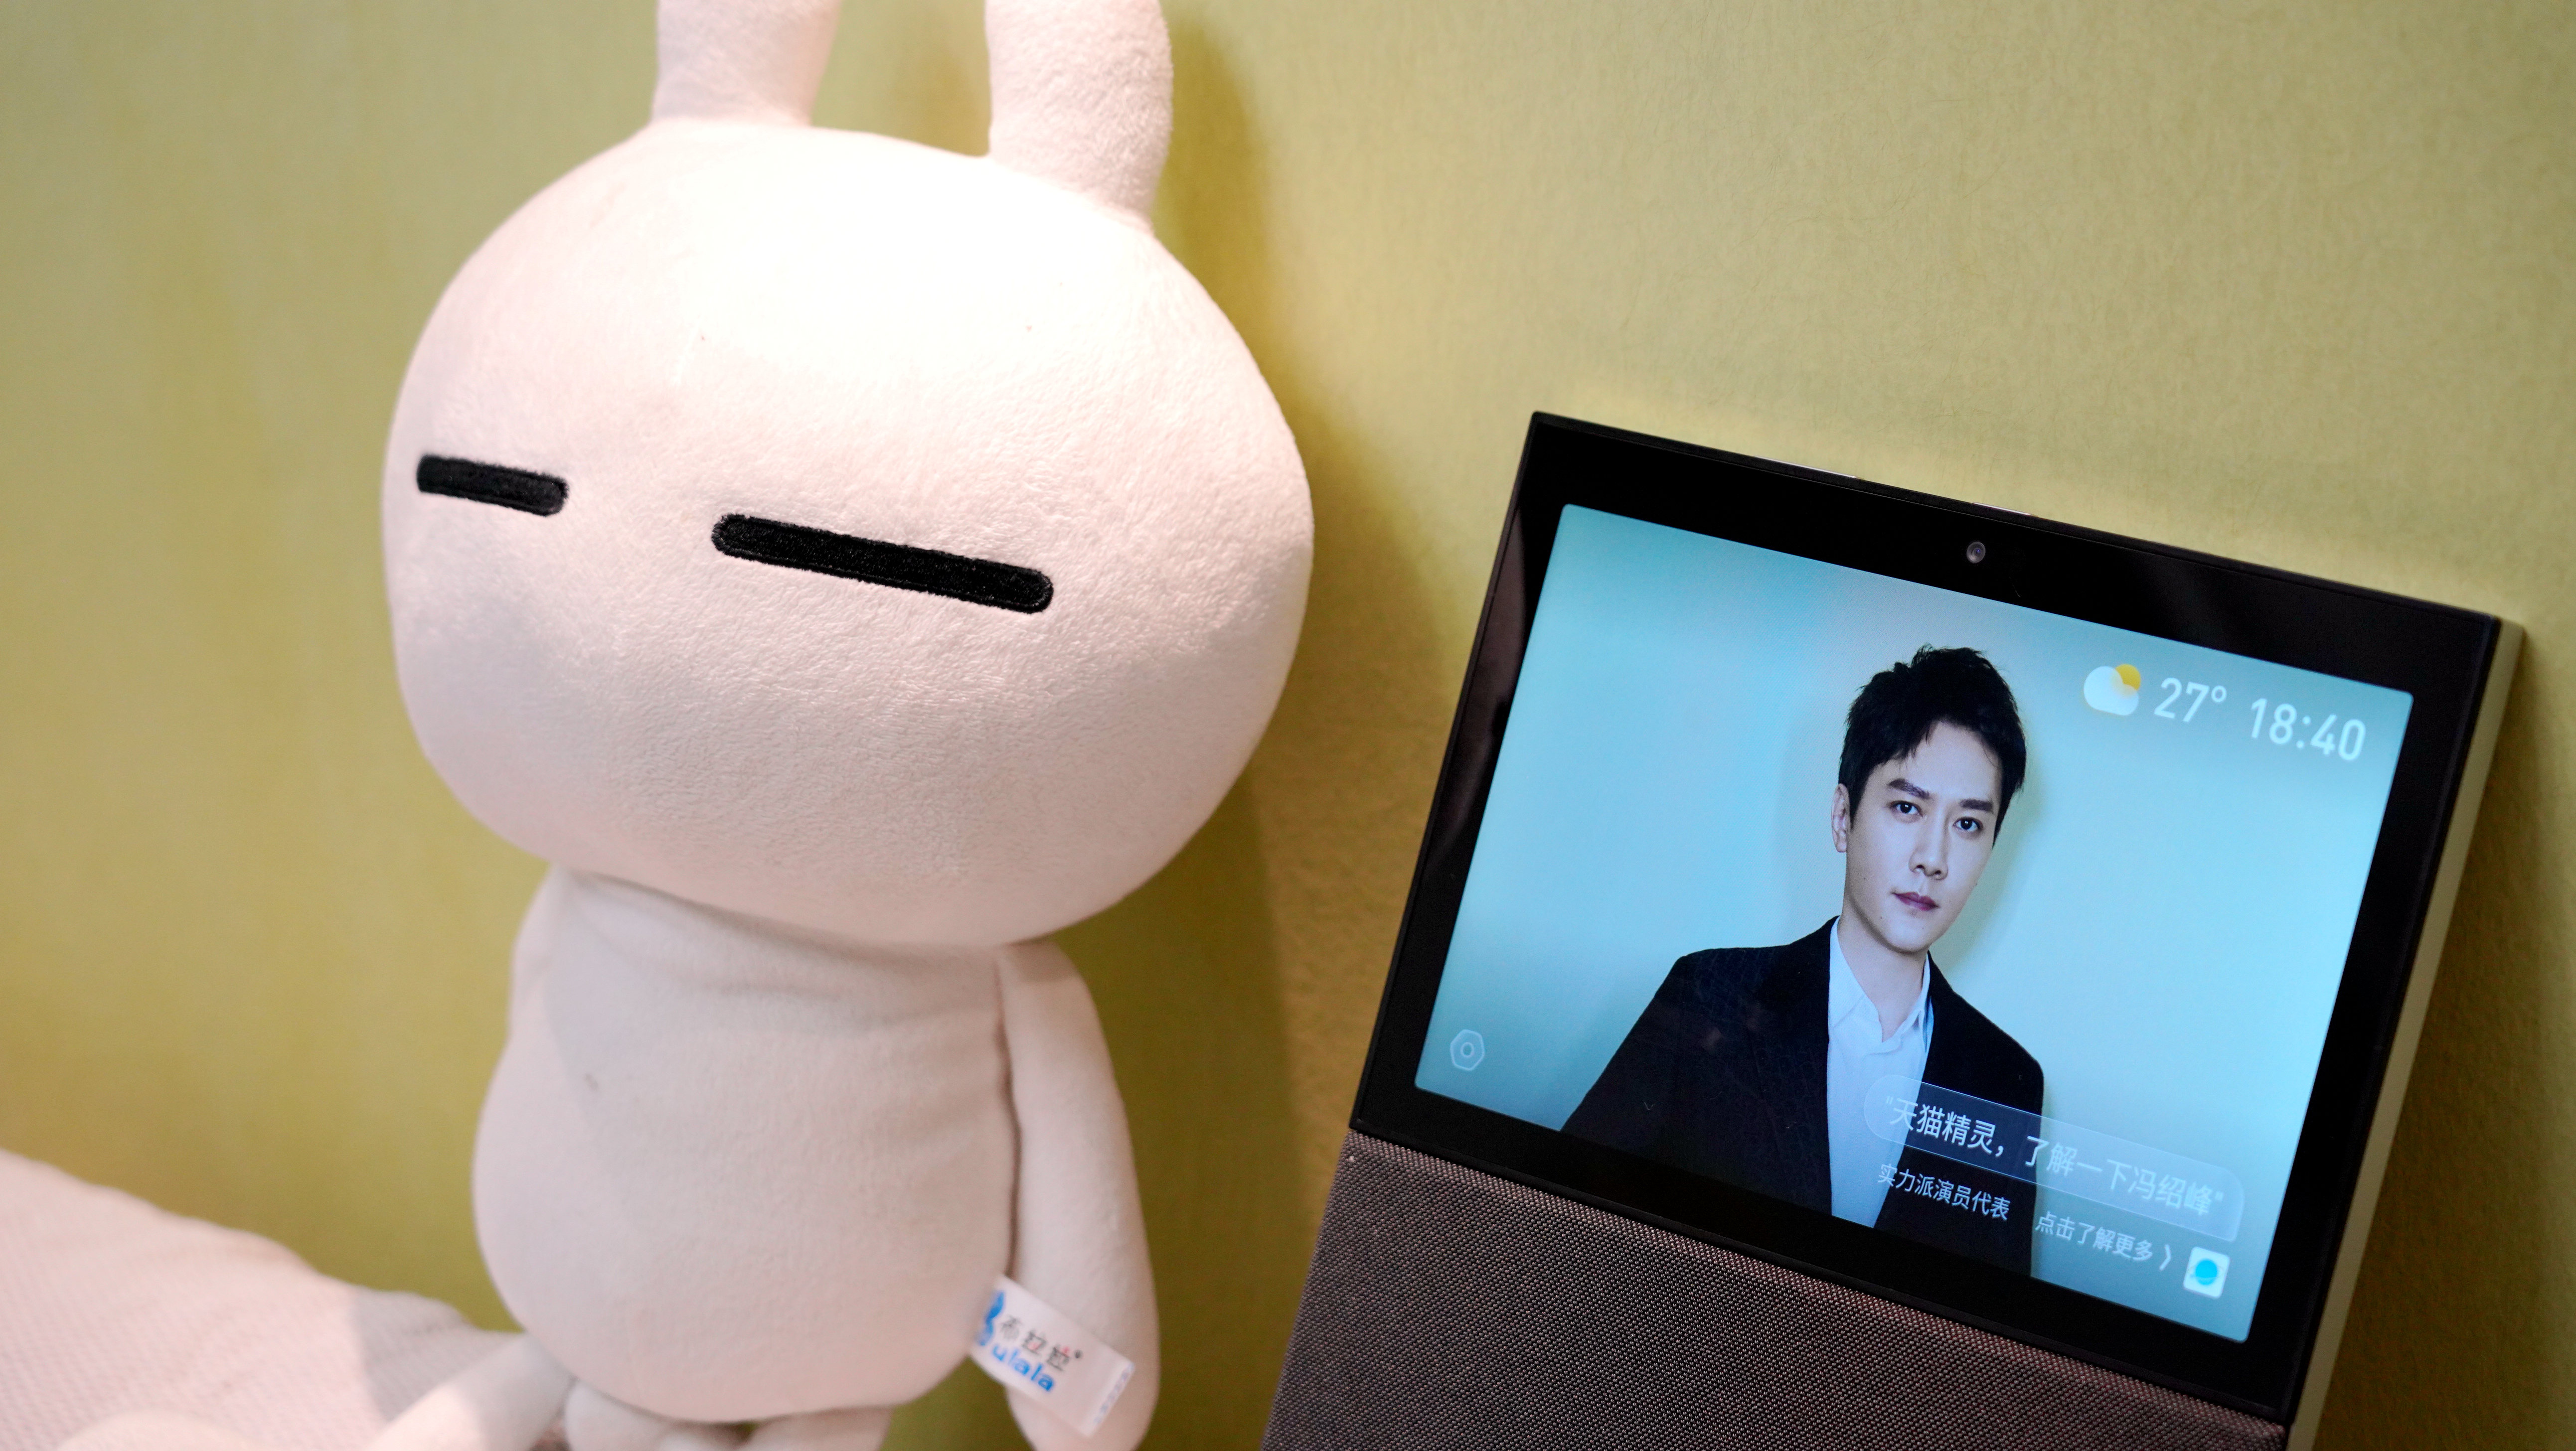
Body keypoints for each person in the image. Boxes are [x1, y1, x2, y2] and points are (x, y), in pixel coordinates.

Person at [1564, 646, 2044, 1272]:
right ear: (1842, 816)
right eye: (1906, 807)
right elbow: (1567, 1211)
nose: (1932, 857)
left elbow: (1988, 1314)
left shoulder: (2006, 1078)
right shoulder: (1709, 991)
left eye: (1968, 825)